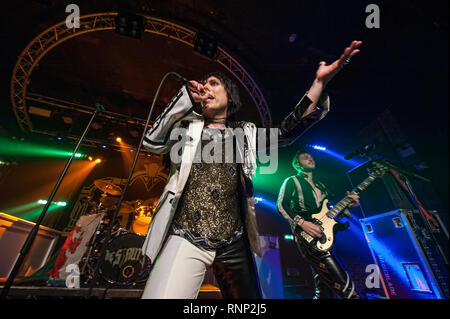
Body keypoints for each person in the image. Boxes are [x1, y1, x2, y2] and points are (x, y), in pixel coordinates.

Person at [141, 41, 362, 299]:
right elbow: (152, 142)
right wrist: (183, 100)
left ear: (230, 97)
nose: (207, 87)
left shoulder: (244, 132)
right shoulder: (188, 128)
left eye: (214, 83)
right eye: (205, 84)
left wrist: (319, 84)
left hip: (234, 242)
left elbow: (287, 131)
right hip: (185, 234)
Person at [277, 149, 362, 299]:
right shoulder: (292, 181)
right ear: (297, 164)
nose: (310, 158)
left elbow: (330, 214)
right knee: (344, 285)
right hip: (307, 237)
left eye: (311, 156)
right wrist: (302, 223)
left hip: (326, 236)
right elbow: (281, 206)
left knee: (324, 287)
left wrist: (348, 205)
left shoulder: (322, 186)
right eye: (305, 157)